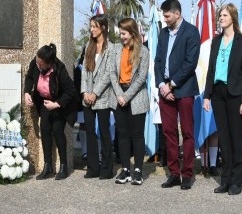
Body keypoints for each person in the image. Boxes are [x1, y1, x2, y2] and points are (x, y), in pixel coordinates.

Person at [202, 4, 242, 195]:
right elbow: (211, 70)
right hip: (218, 93)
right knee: (223, 137)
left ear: (233, 17)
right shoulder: (216, 41)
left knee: (235, 138)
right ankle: (225, 179)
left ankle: (236, 181)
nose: (220, 18)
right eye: (219, 15)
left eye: (224, 15)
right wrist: (207, 95)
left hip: (236, 94)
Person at [154, 0, 201, 190]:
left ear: (177, 14)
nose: (164, 19)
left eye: (167, 15)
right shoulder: (163, 33)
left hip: (184, 88)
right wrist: (161, 85)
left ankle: (187, 173)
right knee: (169, 132)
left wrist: (171, 84)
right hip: (165, 90)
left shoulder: (191, 32)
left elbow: (190, 63)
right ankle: (174, 173)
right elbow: (157, 61)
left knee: (188, 133)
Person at [24, 44, 77, 180]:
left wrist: (57, 104)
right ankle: (47, 166)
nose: (38, 65)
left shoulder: (59, 69)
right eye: (37, 62)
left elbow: (70, 90)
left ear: (49, 63)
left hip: (59, 103)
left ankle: (64, 166)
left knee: (58, 132)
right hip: (44, 102)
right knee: (45, 131)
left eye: (41, 64)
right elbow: (29, 77)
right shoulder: (36, 63)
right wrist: (26, 92)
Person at [111, 18, 151, 185]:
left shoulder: (143, 51)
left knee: (137, 135)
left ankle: (138, 170)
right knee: (123, 135)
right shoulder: (116, 49)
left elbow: (142, 77)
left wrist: (127, 97)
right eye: (120, 33)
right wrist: (120, 95)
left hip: (136, 97)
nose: (121, 37)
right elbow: (112, 73)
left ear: (132, 33)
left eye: (124, 33)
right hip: (119, 95)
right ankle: (125, 169)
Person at [80, 14, 116, 179]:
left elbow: (109, 74)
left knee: (104, 131)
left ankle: (107, 169)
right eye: (91, 26)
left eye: (94, 26)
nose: (92, 29)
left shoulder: (112, 48)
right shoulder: (89, 45)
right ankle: (92, 168)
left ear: (102, 27)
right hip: (87, 97)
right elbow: (84, 71)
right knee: (89, 132)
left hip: (102, 97)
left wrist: (95, 93)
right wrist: (85, 92)